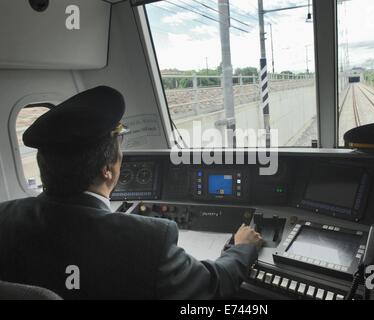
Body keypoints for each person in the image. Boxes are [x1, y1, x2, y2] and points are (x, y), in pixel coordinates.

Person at [0, 86, 263, 299]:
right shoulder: (148, 241)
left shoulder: (5, 218)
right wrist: (242, 248)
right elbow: (213, 285)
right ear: (107, 170)